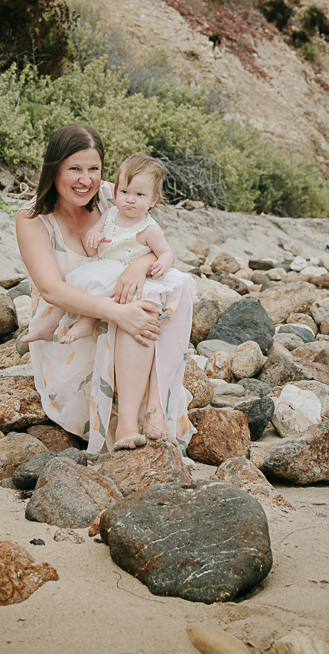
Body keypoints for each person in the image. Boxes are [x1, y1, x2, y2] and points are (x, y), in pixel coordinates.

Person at [15, 124, 195, 457]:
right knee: (135, 307)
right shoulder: (32, 218)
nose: (86, 180)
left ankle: (152, 408)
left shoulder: (114, 194)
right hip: (70, 324)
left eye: (93, 169)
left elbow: (151, 242)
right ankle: (129, 418)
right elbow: (52, 290)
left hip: (119, 303)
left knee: (160, 292)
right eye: (75, 169)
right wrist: (117, 312)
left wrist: (137, 267)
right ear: (54, 168)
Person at [22, 154, 181, 345]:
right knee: (74, 285)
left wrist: (161, 263)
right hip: (100, 264)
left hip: (121, 273)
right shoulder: (111, 213)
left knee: (99, 288)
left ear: (153, 200)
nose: (130, 199)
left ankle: (86, 323)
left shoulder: (149, 228)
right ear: (116, 192)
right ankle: (49, 326)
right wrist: (94, 236)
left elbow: (166, 252)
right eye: (124, 192)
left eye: (139, 195)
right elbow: (93, 232)